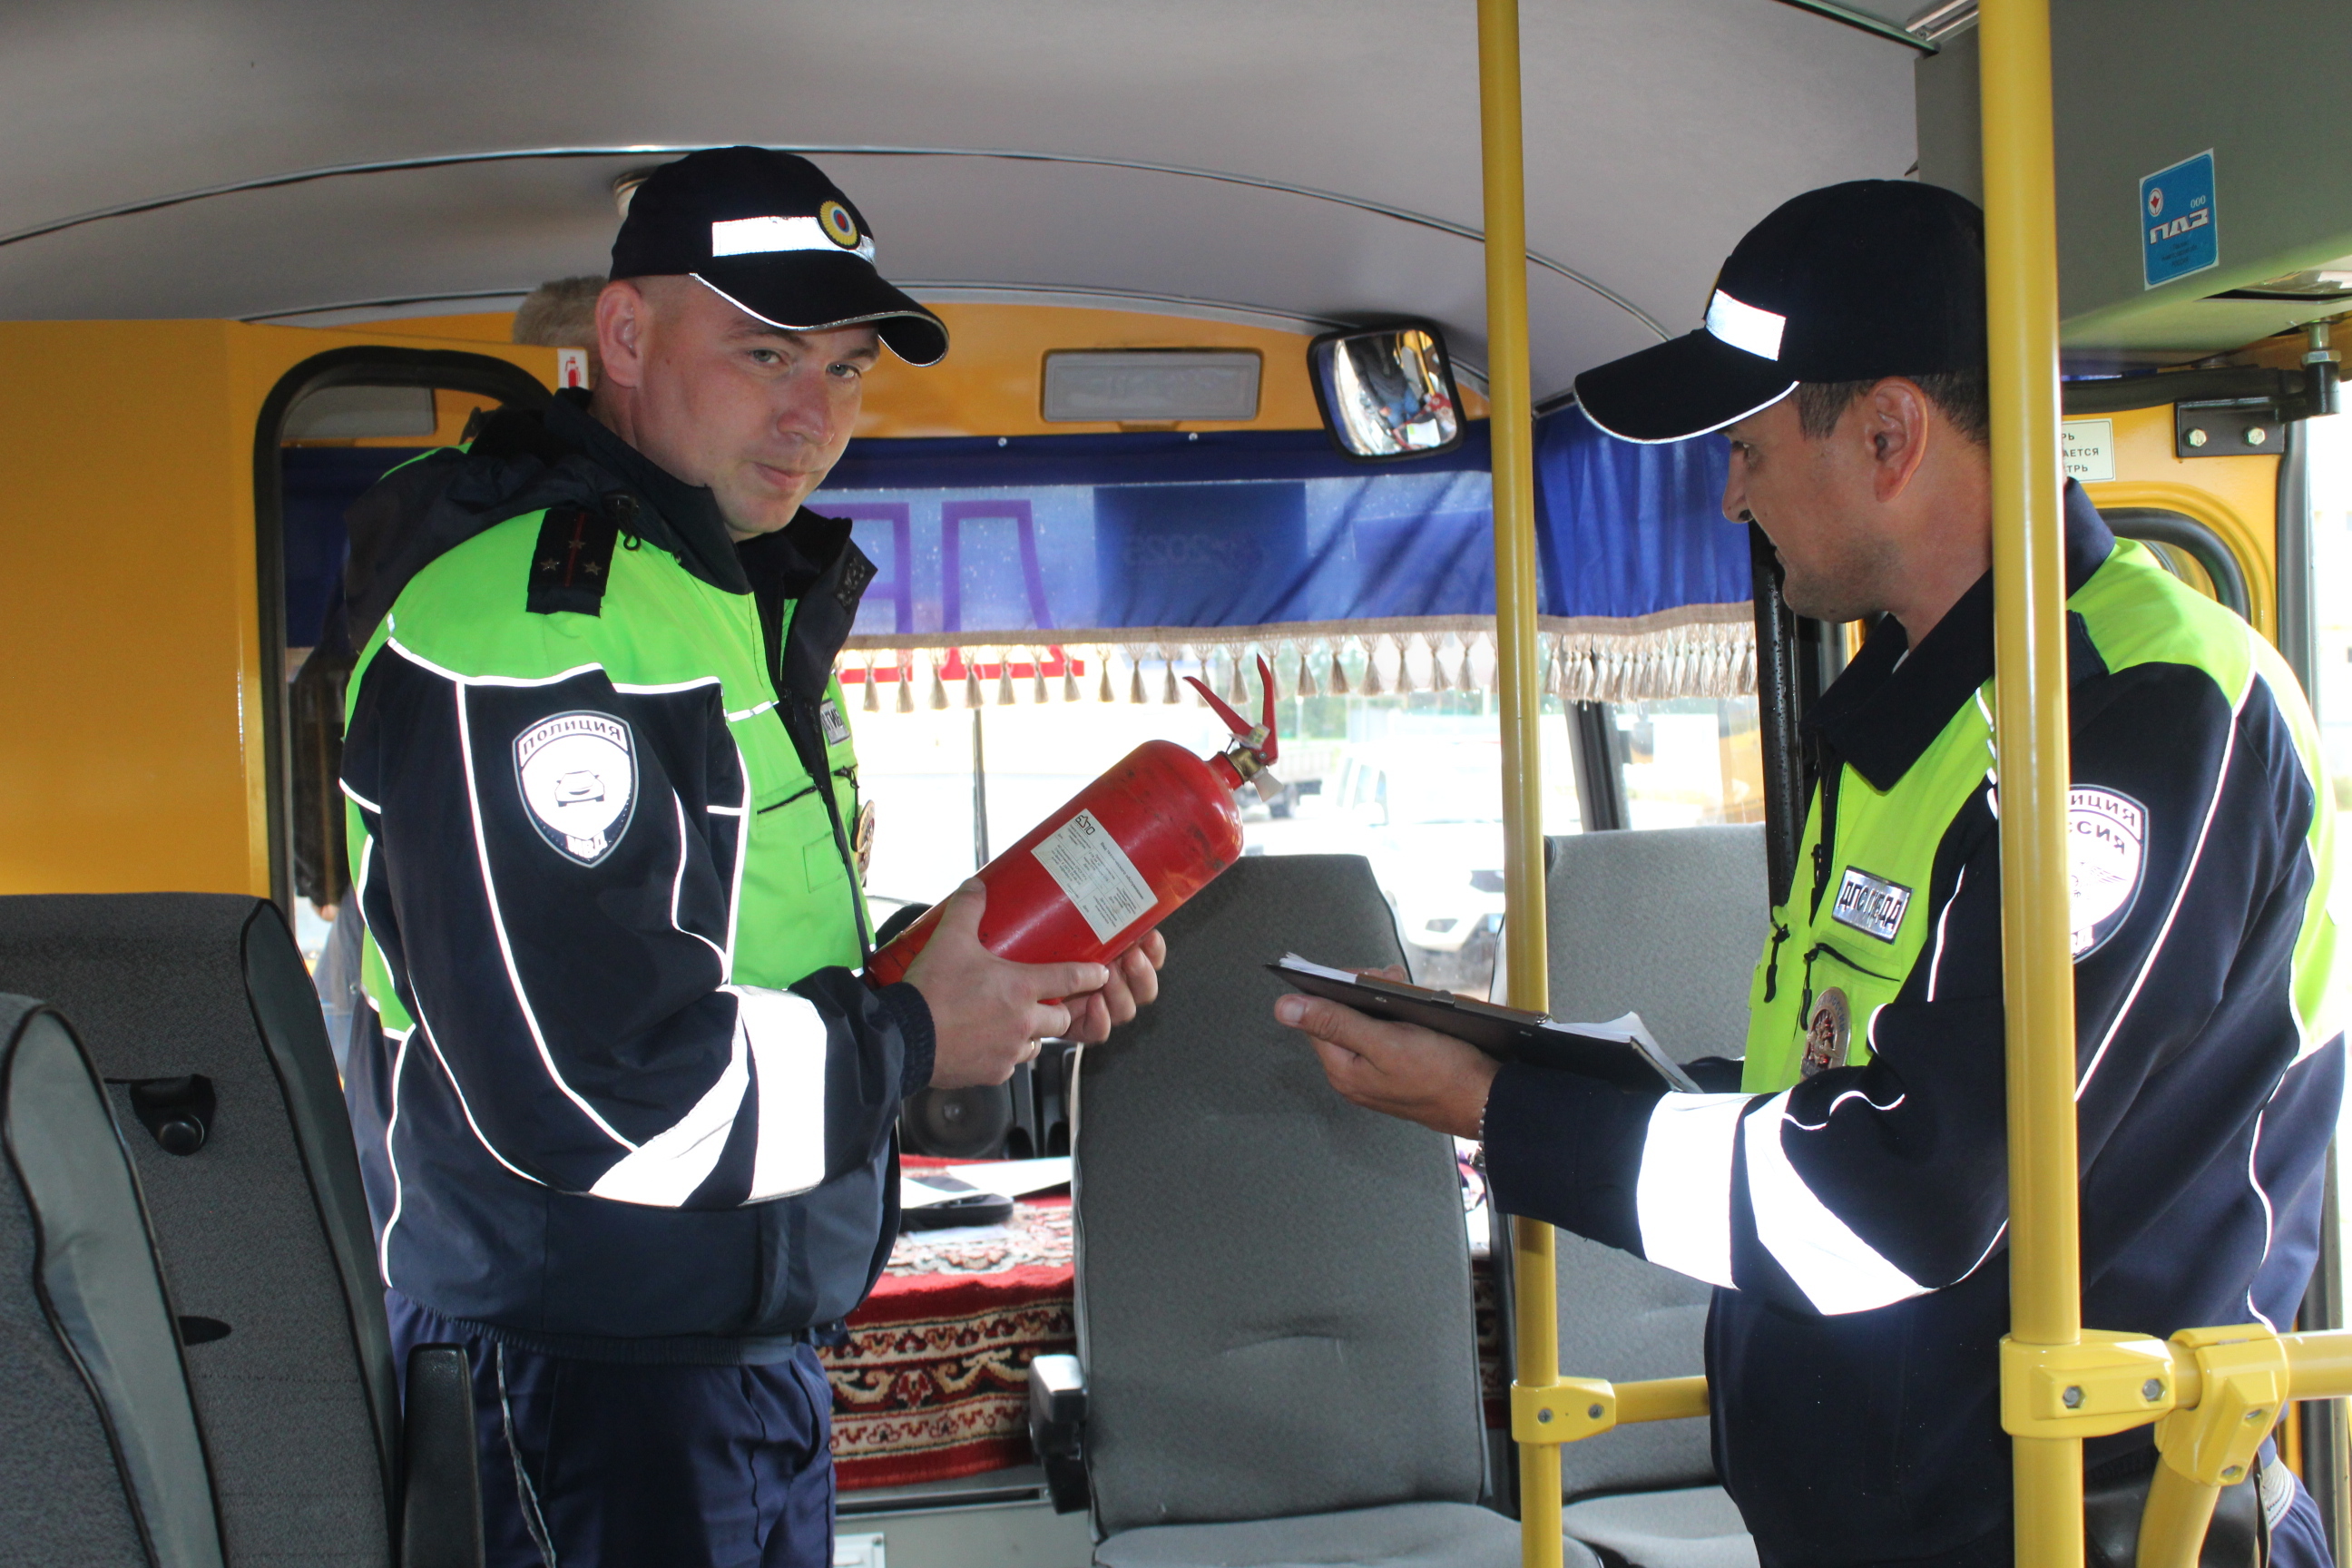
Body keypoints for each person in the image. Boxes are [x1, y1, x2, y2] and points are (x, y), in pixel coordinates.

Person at [1274, 181, 2342, 1568]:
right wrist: (1515, 1066)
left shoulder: (2134, 717)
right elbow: (1833, 1114)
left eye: (1749, 448)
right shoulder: (1915, 712)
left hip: (2087, 1534)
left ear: (1890, 435)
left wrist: (1500, 1111)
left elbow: (1900, 1202)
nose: (1729, 491)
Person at [337, 146, 1166, 1568]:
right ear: (624, 337)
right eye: (766, 353)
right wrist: (913, 1036)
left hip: (735, 1346)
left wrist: (981, 972)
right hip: (580, 1372)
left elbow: (732, 946)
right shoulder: (542, 624)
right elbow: (604, 1096)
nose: (813, 416)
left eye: (845, 369)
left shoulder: (718, 594)